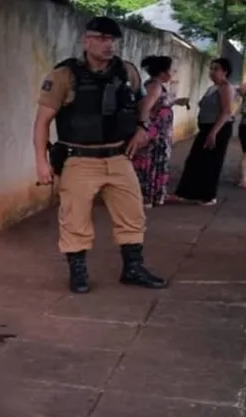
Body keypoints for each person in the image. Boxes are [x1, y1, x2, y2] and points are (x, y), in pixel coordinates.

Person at [33, 16, 167, 294]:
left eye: (113, 39)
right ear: (87, 40)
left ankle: (133, 268)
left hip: (118, 156)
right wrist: (41, 163)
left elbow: (141, 103)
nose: (109, 45)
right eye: (102, 38)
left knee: (132, 214)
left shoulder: (126, 71)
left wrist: (142, 126)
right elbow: (42, 122)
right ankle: (78, 272)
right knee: (75, 218)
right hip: (79, 159)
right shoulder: (64, 75)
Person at [171, 58, 235, 206]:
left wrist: (213, 132)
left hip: (217, 128)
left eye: (216, 69)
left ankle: (208, 195)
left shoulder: (225, 87)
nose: (212, 72)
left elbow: (226, 111)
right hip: (206, 127)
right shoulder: (212, 88)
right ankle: (188, 192)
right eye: (211, 69)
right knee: (196, 160)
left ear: (225, 71)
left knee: (211, 162)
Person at [133, 55, 190, 208]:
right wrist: (143, 127)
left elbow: (157, 104)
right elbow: (145, 107)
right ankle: (147, 196)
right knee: (150, 164)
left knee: (156, 163)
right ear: (163, 72)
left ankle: (154, 195)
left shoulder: (156, 85)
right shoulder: (155, 86)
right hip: (155, 133)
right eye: (172, 70)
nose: (173, 73)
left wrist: (175, 102)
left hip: (160, 132)